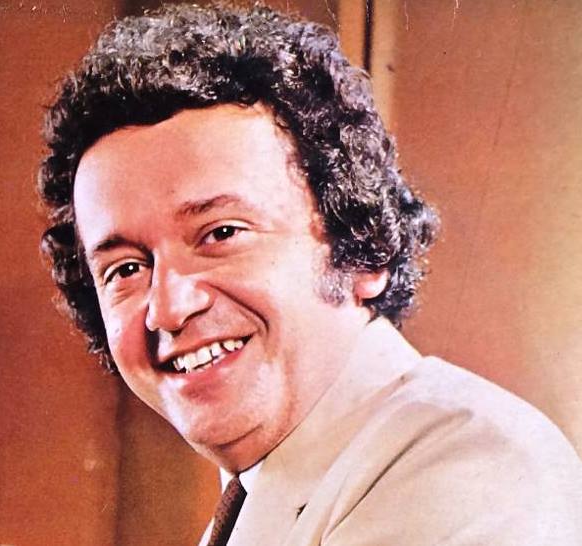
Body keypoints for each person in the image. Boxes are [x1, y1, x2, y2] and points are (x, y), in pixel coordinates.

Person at [38, 3, 582, 545]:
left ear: (362, 252)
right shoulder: (276, 490)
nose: (169, 308)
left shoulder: (467, 470)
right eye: (127, 269)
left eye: (221, 234)